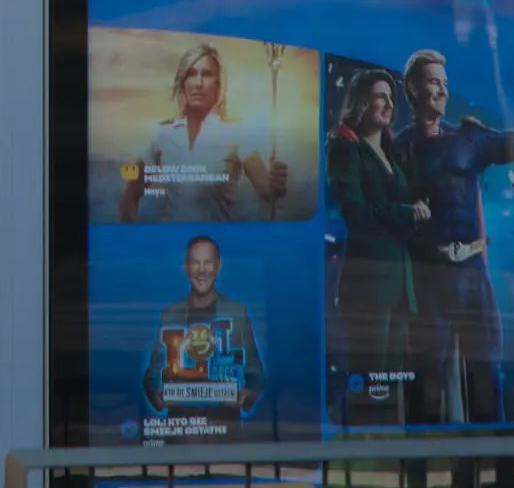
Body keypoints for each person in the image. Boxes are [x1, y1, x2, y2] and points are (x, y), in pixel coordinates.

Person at [395, 45, 514, 425]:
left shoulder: (468, 138)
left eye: (445, 83)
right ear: (414, 89)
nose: (442, 91)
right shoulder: (398, 147)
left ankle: (490, 471)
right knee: (426, 380)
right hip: (429, 276)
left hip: (471, 273)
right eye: (434, 82)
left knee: (486, 375)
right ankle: (422, 477)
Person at [325, 69, 423, 421]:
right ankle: (361, 460)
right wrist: (405, 212)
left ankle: (386, 460)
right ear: (361, 102)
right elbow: (356, 212)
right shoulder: (345, 145)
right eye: (379, 96)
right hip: (368, 284)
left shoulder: (392, 152)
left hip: (399, 283)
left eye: (390, 98)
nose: (387, 104)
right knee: (368, 383)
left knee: (390, 383)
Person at [123, 43, 291, 223]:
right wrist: (131, 239)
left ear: (218, 83)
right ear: (182, 81)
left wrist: (275, 183)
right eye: (192, 74)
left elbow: (266, 189)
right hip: (175, 246)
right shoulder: (164, 133)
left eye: (207, 74)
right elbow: (130, 195)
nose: (199, 83)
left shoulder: (236, 133)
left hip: (218, 243)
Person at [137, 235, 265, 430]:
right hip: (181, 428)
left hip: (226, 426)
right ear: (186, 268)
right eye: (196, 263)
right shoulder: (170, 314)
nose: (202, 269)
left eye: (208, 263)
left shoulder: (236, 312)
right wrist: (157, 394)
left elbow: (255, 372)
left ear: (219, 267)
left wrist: (248, 395)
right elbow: (152, 374)